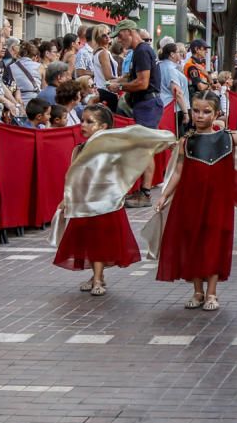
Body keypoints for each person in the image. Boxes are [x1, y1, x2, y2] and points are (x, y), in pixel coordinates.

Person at [155, 91, 237, 311]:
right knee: (193, 242)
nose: (200, 116)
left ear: (217, 114)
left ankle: (212, 293)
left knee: (214, 243)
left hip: (218, 202)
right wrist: (164, 194)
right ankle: (197, 292)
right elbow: (178, 173)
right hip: (189, 200)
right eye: (196, 111)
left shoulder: (227, 137)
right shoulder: (186, 142)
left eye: (206, 112)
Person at [51, 106, 167, 296]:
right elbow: (71, 177)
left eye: (90, 122)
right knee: (89, 240)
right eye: (83, 121)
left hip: (106, 203)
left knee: (100, 240)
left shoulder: (112, 150)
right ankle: (97, 276)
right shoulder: (79, 149)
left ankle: (97, 278)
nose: (83, 125)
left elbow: (126, 168)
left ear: (103, 127)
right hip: (85, 203)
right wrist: (66, 198)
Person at [108, 20, 163, 207]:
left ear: (130, 32)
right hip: (146, 104)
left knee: (145, 149)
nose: (119, 40)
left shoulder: (141, 51)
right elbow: (137, 78)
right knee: (144, 149)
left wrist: (120, 86)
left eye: (120, 35)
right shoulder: (140, 51)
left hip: (147, 104)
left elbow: (142, 83)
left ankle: (145, 194)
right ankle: (143, 191)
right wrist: (118, 81)